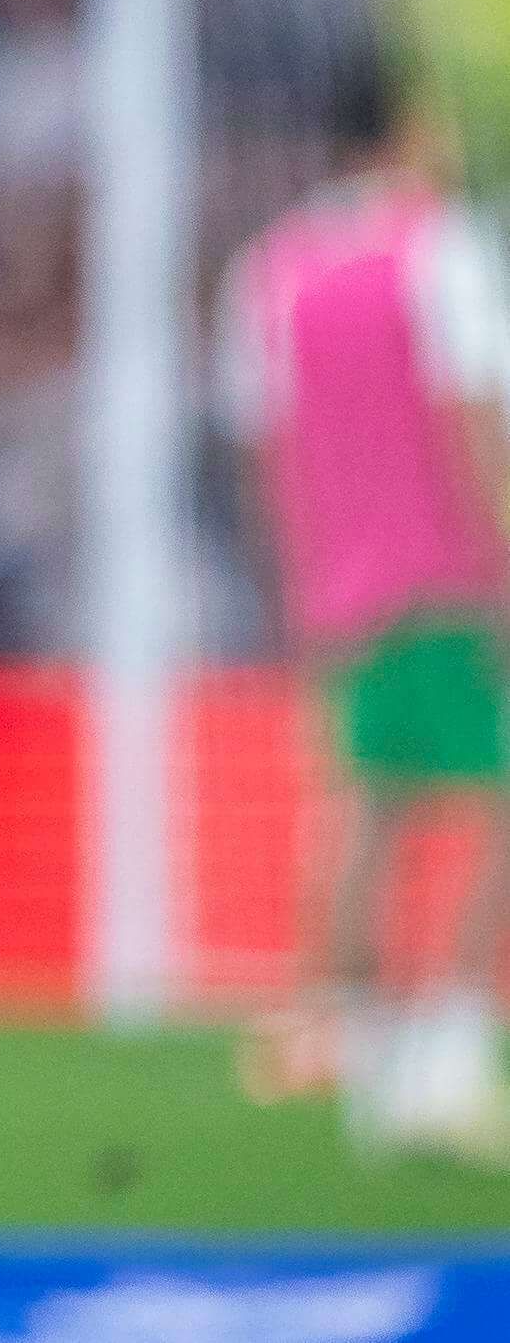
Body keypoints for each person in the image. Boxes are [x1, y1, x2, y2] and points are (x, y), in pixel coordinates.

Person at [220, 59, 510, 1163]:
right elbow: (471, 417)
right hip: (448, 572)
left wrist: (296, 591)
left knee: (367, 807)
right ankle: (443, 1051)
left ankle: (342, 1042)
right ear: (407, 128)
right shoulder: (439, 251)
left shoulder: (268, 270)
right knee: (492, 806)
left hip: (337, 584)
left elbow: (265, 453)